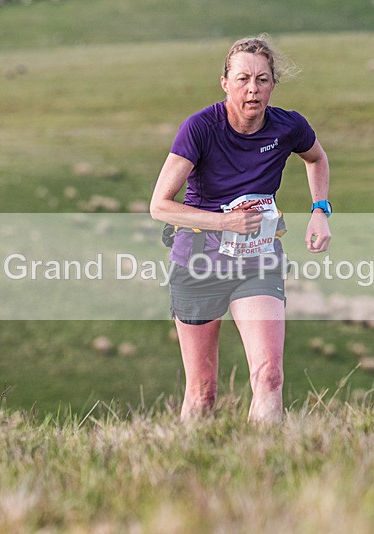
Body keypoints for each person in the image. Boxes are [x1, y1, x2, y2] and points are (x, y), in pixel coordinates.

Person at [150, 35, 332, 424]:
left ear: (273, 85)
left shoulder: (288, 127)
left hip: (258, 261)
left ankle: (261, 471)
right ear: (225, 82)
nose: (253, 89)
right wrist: (224, 222)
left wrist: (320, 209)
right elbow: (159, 206)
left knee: (269, 375)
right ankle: (187, 472)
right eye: (243, 79)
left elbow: (317, 159)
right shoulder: (199, 128)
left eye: (263, 80)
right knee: (203, 394)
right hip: (198, 264)